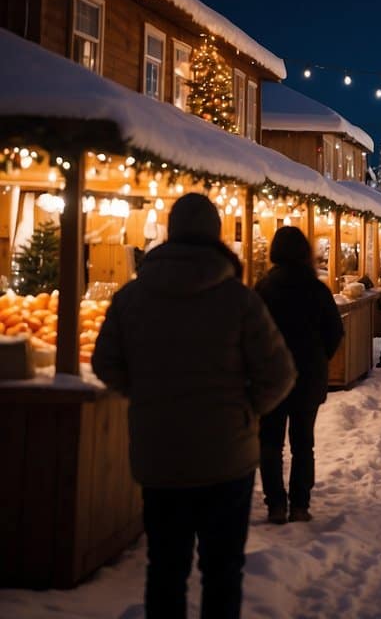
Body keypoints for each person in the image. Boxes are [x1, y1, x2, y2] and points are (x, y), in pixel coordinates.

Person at [92, 193, 295, 619]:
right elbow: (279, 373)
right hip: (226, 457)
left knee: (165, 568)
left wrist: (146, 396)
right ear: (216, 234)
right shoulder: (239, 300)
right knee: (222, 570)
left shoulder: (132, 297)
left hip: (160, 455)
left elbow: (105, 362)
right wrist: (245, 409)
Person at [255, 227, 345, 525]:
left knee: (270, 442)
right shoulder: (317, 289)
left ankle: (276, 504)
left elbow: (251, 334)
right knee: (303, 442)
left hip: (270, 377)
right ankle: (300, 504)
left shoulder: (264, 289)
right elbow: (335, 331)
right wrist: (319, 358)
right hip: (308, 375)